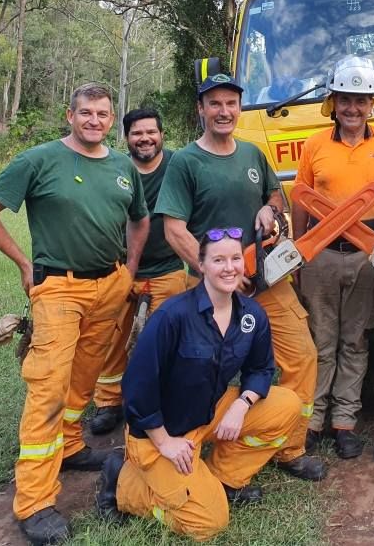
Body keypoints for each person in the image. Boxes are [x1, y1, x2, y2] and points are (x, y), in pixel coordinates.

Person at [0, 83, 149, 545]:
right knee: (48, 387)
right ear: (70, 116)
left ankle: (68, 446)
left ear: (112, 119)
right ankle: (34, 501)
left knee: (85, 377)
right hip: (58, 289)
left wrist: (129, 269)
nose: (94, 120)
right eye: (85, 112)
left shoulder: (123, 167)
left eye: (102, 114)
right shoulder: (39, 160)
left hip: (109, 285)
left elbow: (139, 219)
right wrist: (25, 264)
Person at [154, 73, 324, 481]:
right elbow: (174, 228)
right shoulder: (185, 163)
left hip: (264, 281)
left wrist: (269, 210)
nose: (224, 111)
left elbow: (274, 197)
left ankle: (290, 447)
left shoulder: (252, 154)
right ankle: (194, 448)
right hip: (211, 290)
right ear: (201, 109)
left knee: (301, 357)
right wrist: (215, 272)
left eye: (231, 103)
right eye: (214, 103)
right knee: (200, 372)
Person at [95, 228, 302, 541]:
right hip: (162, 431)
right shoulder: (172, 315)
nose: (229, 267)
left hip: (208, 412)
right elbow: (137, 387)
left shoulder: (251, 315)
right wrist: (165, 442)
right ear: (201, 265)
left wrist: (241, 404)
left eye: (235, 258)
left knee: (287, 405)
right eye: (218, 260)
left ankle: (223, 479)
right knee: (209, 522)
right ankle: (123, 482)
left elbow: (261, 368)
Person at [291, 57, 374, 459]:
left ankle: (344, 423)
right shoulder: (315, 145)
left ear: (372, 104)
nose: (353, 108)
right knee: (320, 340)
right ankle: (312, 422)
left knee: (356, 341)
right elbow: (300, 198)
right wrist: (298, 254)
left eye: (361, 100)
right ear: (333, 102)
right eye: (345, 100)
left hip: (368, 255)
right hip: (320, 254)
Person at [89, 108, 187, 434]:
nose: (144, 138)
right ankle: (108, 401)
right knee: (110, 336)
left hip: (168, 268)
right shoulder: (113, 168)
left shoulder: (179, 164)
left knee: (165, 339)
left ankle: (158, 399)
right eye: (136, 133)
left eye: (151, 132)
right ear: (126, 137)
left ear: (161, 134)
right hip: (119, 270)